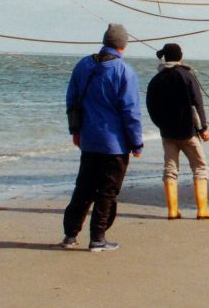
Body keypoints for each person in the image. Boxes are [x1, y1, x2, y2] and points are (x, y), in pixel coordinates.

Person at [61, 23, 144, 252]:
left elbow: (71, 100)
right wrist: (136, 142)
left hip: (88, 139)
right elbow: (131, 111)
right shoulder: (124, 71)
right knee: (108, 191)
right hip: (114, 144)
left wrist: (75, 131)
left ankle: (70, 234)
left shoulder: (84, 64)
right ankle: (98, 237)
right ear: (123, 45)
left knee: (83, 188)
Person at [146, 42, 209, 220]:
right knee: (200, 168)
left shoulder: (156, 79)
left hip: (167, 132)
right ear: (180, 57)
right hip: (188, 131)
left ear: (165, 58)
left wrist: (161, 125)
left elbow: (151, 107)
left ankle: (172, 210)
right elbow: (197, 104)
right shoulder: (187, 76)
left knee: (170, 169)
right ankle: (202, 209)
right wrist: (203, 129)